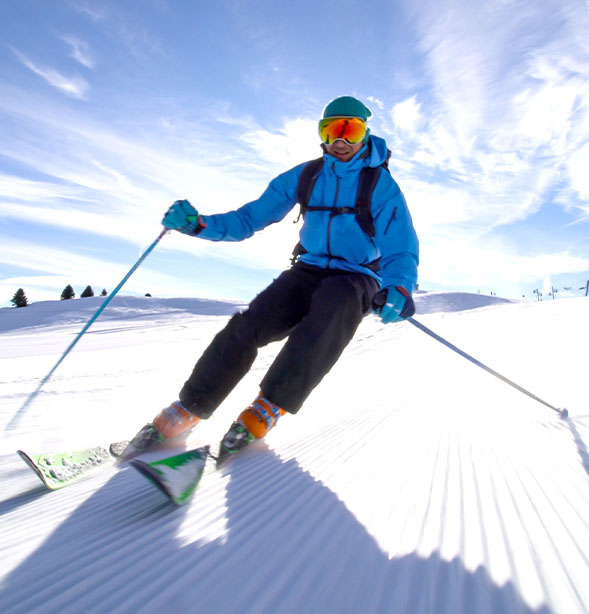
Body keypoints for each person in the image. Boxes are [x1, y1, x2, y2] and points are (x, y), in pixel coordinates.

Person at [125, 95, 419, 465]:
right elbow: (249, 218)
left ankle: (266, 408)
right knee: (247, 326)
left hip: (356, 276)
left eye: (351, 129)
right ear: (322, 135)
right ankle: (188, 408)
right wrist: (199, 225)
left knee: (324, 321)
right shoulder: (306, 176)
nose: (341, 140)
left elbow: (400, 245)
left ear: (365, 135)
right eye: (331, 130)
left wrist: (400, 286)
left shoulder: (381, 185)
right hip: (308, 269)